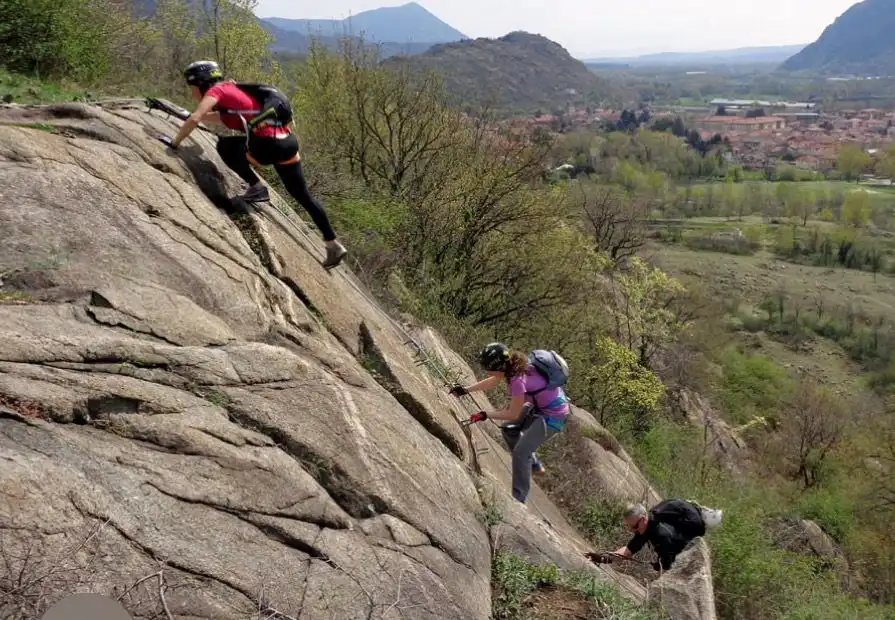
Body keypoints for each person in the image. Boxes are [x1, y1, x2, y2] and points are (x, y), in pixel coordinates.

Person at [157, 60, 348, 269]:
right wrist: (185, 115)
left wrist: (174, 143)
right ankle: (333, 244)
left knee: (225, 146)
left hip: (267, 146)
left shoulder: (217, 90)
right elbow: (217, 118)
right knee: (303, 196)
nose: (192, 92)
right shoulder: (234, 94)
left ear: (199, 83)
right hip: (287, 143)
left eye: (191, 87)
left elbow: (196, 117)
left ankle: (256, 187)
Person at [450, 342, 570, 504]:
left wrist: (485, 415)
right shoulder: (514, 364)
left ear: (498, 366)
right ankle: (534, 464)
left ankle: (519, 499)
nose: (486, 370)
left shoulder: (517, 381)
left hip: (553, 416)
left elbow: (513, 413)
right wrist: (465, 390)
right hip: (542, 405)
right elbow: (493, 380)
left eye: (488, 367)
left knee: (521, 453)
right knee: (509, 429)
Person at [587, 499, 723, 571]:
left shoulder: (662, 534)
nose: (632, 531)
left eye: (633, 527)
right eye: (629, 528)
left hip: (691, 528)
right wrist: (603, 558)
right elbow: (627, 552)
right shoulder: (644, 528)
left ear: (643, 518)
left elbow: (670, 563)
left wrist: (661, 563)